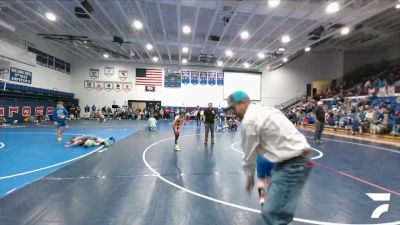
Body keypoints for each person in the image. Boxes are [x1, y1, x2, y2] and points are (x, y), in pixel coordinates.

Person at [227, 91, 312, 225]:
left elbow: (249, 154)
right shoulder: (267, 110)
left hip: (293, 164)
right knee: (277, 212)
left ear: (243, 102)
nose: (233, 113)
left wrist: (249, 177)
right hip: (292, 161)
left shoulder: (250, 120)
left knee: (273, 215)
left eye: (234, 108)